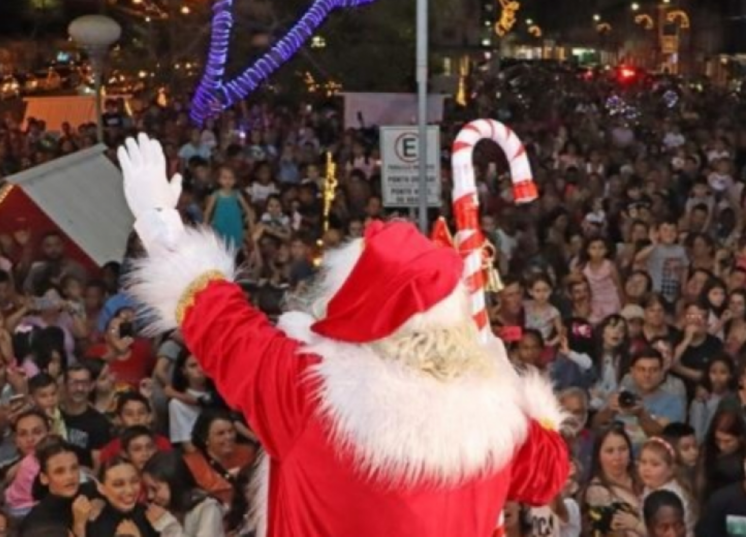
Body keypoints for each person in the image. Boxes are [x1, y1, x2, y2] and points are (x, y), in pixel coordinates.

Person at [120, 132, 570, 537]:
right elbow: (547, 473)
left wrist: (161, 223)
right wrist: (501, 378)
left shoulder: (310, 391)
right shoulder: (499, 419)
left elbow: (220, 320)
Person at [19, 439, 95, 537]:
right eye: (59, 471)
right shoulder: (37, 522)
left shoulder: (91, 490)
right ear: (44, 478)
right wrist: (79, 526)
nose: (70, 476)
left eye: (74, 468)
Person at [143, 451, 226, 537]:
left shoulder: (207, 508)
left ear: (174, 483)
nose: (150, 496)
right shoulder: (157, 511)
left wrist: (168, 526)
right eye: (146, 489)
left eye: (155, 489)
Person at [584, 427, 643, 537]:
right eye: (609, 451)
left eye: (622, 449)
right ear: (598, 456)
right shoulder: (597, 491)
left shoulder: (644, 476)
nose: (617, 457)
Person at [88, 456, 160, 536]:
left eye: (134, 481)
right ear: (101, 488)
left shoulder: (152, 516)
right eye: (118, 484)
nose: (129, 490)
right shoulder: (93, 522)